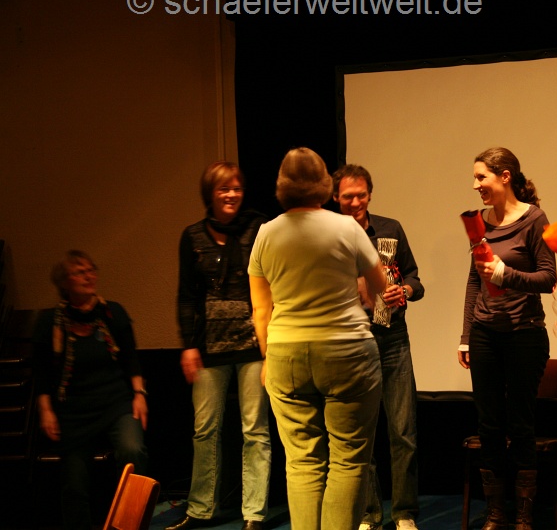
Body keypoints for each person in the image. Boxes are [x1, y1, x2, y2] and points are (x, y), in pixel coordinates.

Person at [248, 147, 388, 530]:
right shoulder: (347, 228)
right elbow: (380, 285)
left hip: (285, 354)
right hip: (347, 351)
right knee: (349, 459)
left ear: (282, 186)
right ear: (325, 185)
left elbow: (261, 309)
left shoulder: (265, 234)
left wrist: (266, 359)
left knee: (301, 462)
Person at [457, 147, 557, 530]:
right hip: (485, 334)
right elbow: (474, 280)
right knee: (489, 425)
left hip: (523, 334)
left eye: (481, 176)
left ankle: (524, 514)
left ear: (505, 177)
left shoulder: (534, 219)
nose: (475, 185)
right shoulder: (478, 222)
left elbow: (548, 278)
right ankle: (496, 512)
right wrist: (466, 335)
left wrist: (506, 275)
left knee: (520, 423)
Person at [168, 162, 271, 530]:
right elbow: (186, 295)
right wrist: (187, 345)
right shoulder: (193, 236)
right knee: (205, 430)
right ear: (209, 195)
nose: (231, 195)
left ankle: (254, 513)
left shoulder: (258, 229)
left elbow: (273, 281)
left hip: (253, 345)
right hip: (209, 347)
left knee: (255, 430)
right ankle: (200, 510)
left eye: (237, 188)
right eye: (223, 189)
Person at [332, 164, 424, 530]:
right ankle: (369, 513)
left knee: (404, 432)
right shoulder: (330, 234)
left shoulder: (389, 229)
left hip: (393, 339)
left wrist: (407, 290)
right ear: (335, 197)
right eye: (347, 197)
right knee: (361, 436)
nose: (356, 202)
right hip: (352, 342)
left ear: (370, 194)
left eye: (361, 195)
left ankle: (404, 513)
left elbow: (414, 276)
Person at [33, 250, 149, 530]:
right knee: (74, 480)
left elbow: (131, 359)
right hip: (74, 410)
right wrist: (46, 409)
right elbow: (43, 371)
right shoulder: (50, 321)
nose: (88, 277)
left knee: (132, 450)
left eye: (91, 270)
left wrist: (139, 395)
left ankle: (131, 523)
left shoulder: (112, 313)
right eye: (79, 272)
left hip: (116, 402)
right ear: (65, 282)